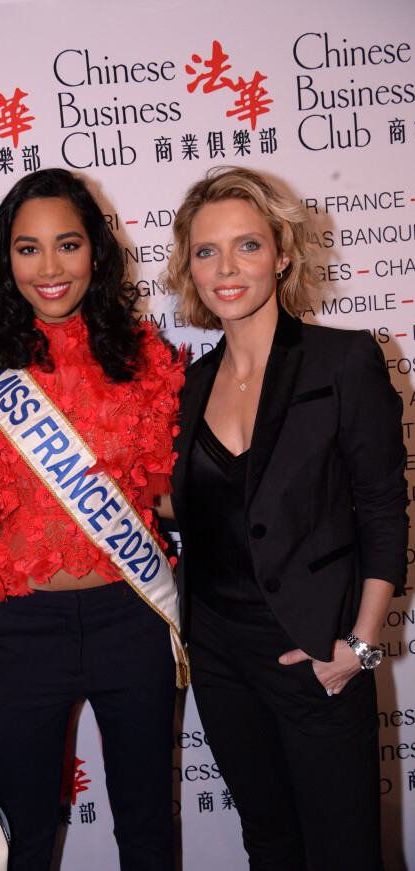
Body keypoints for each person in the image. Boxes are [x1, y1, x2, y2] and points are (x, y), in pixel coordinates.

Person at [0, 168, 186, 871]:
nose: (50, 268)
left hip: (132, 619)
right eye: (29, 248)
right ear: (6, 260)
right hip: (25, 633)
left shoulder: (146, 361)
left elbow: (169, 496)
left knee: (147, 825)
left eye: (68, 244)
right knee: (20, 840)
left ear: (97, 252)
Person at [164, 166, 408, 871]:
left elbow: (385, 510)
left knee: (344, 852)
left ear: (283, 253)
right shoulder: (188, 386)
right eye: (206, 251)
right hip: (218, 654)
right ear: (189, 266)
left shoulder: (343, 359)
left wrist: (359, 649)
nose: (226, 268)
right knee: (269, 842)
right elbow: (209, 509)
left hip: (315, 653)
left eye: (246, 246)